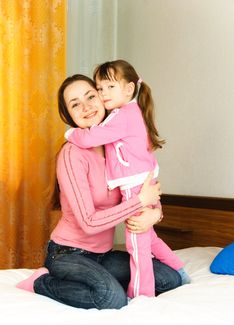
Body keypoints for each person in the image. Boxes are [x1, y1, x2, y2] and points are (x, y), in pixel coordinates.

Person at [16, 74, 182, 309]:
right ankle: (40, 282)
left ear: (102, 98)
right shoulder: (72, 154)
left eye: (90, 96)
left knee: (169, 279)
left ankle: (98, 278)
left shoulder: (117, 145)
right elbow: (89, 222)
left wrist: (156, 214)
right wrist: (138, 202)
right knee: (110, 298)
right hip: (68, 254)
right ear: (68, 115)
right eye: (75, 104)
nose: (85, 107)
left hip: (104, 255)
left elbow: (145, 189)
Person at [65, 60, 190, 299]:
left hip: (136, 189)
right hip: (143, 185)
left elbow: (92, 137)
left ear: (129, 89)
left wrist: (71, 133)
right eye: (100, 88)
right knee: (150, 238)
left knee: (137, 247)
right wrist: (155, 211)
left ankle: (142, 296)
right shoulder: (131, 113)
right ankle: (180, 270)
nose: (103, 94)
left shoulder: (123, 116)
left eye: (109, 87)